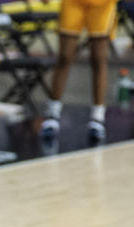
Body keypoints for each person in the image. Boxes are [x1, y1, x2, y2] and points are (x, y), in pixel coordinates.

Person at [40, 0, 116, 143]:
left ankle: (97, 117)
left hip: (102, 4)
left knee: (98, 59)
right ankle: (52, 114)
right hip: (73, 2)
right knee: (64, 57)